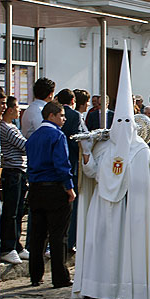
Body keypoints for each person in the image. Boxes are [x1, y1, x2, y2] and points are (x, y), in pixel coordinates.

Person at [73, 45, 150, 299]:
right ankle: (93, 292)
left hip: (129, 211)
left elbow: (144, 184)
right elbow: (90, 173)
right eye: (118, 123)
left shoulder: (141, 150)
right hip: (103, 208)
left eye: (127, 123)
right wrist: (87, 152)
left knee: (126, 252)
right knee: (98, 249)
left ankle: (129, 292)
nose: (122, 128)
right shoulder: (104, 145)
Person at [25, 101, 75, 288]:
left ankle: (35, 274)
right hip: (54, 187)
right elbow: (62, 164)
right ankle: (60, 276)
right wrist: (69, 187)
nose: (64, 119)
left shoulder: (33, 137)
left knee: (37, 234)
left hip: (36, 188)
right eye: (61, 115)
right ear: (51, 115)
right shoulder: (57, 135)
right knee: (58, 234)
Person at [0, 96, 29, 264]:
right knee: (11, 211)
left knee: (18, 211)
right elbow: (24, 145)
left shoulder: (13, 126)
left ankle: (17, 244)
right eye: (17, 107)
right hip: (12, 171)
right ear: (11, 109)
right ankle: (7, 246)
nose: (19, 110)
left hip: (20, 170)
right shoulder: (5, 128)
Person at [58, 88, 87, 254]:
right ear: (72, 101)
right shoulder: (75, 115)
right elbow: (79, 140)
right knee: (72, 207)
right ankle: (70, 241)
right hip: (72, 165)